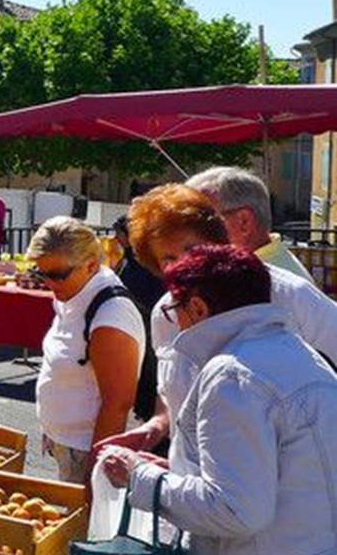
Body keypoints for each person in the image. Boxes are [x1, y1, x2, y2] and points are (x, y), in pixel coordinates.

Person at [100, 245, 337, 555]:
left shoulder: (232, 374)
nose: (174, 321)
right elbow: (280, 475)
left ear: (197, 308)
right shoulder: (301, 354)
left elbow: (237, 510)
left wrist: (140, 477)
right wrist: (176, 474)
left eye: (174, 309)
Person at [96, 183, 337, 467]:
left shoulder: (287, 293)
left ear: (219, 242)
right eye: (169, 259)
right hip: (196, 492)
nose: (185, 263)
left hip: (289, 487)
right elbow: (172, 393)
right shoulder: (166, 313)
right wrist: (157, 426)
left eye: (193, 249)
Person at [28, 216, 144, 482]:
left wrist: (97, 476)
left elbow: (117, 405)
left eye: (58, 275)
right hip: (66, 444)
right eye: (41, 273)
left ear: (91, 265)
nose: (49, 284)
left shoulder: (111, 315)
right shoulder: (74, 292)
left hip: (85, 452)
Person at [186, 166, 314, 283]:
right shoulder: (263, 268)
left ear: (244, 222)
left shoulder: (262, 282)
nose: (187, 233)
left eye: (201, 221)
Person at [111, 213, 167, 422]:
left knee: (149, 367)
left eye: (119, 234)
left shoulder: (143, 261)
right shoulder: (130, 257)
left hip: (146, 318)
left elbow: (145, 288)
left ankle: (150, 411)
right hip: (136, 318)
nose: (116, 239)